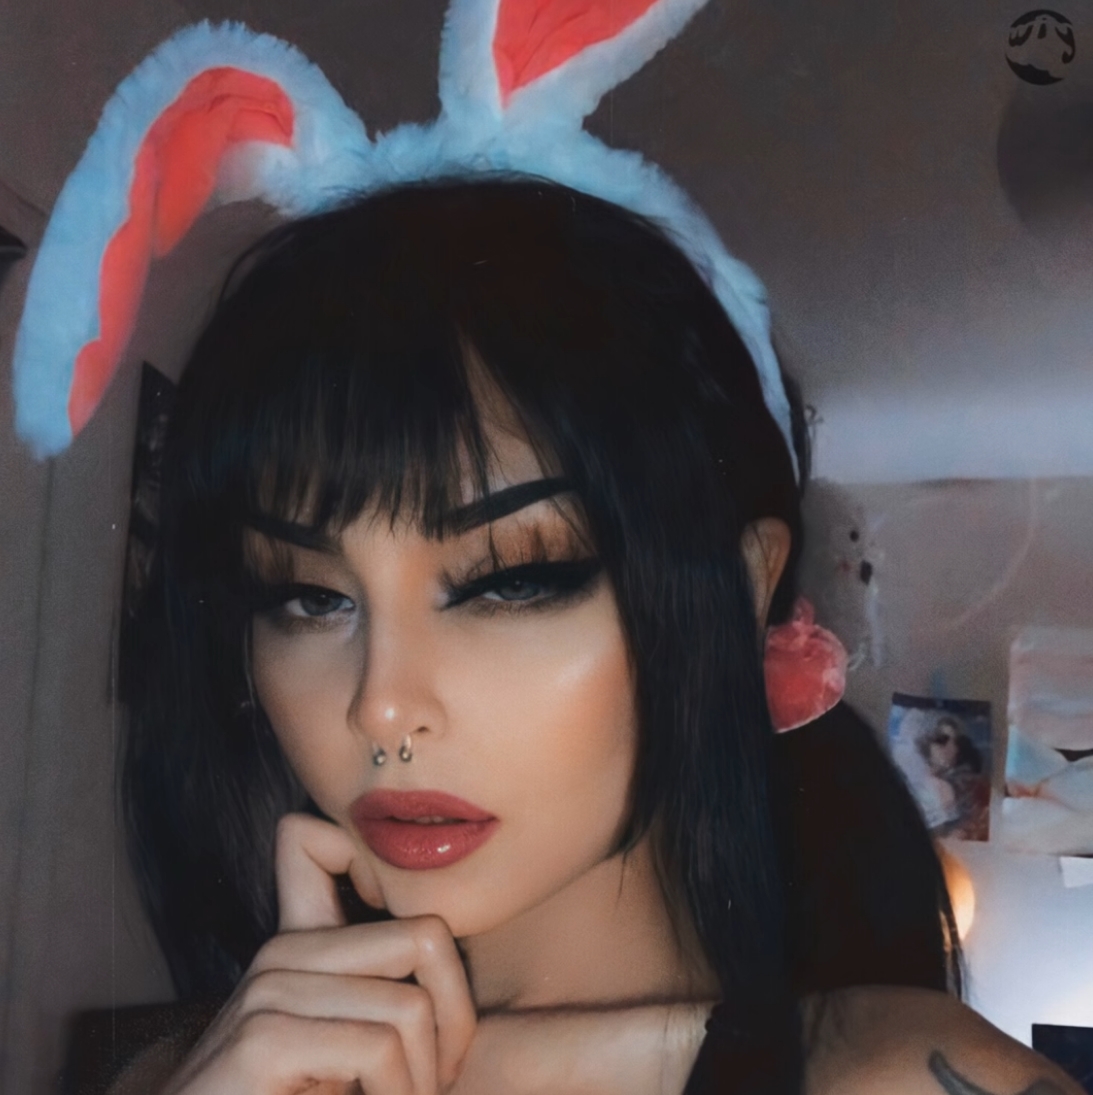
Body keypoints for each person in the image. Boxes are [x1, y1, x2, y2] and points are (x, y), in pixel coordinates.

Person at [111, 179, 1080, 1095]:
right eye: (310, 598)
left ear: (739, 590)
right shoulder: (193, 1076)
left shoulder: (895, 1079)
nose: (383, 705)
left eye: (510, 580)